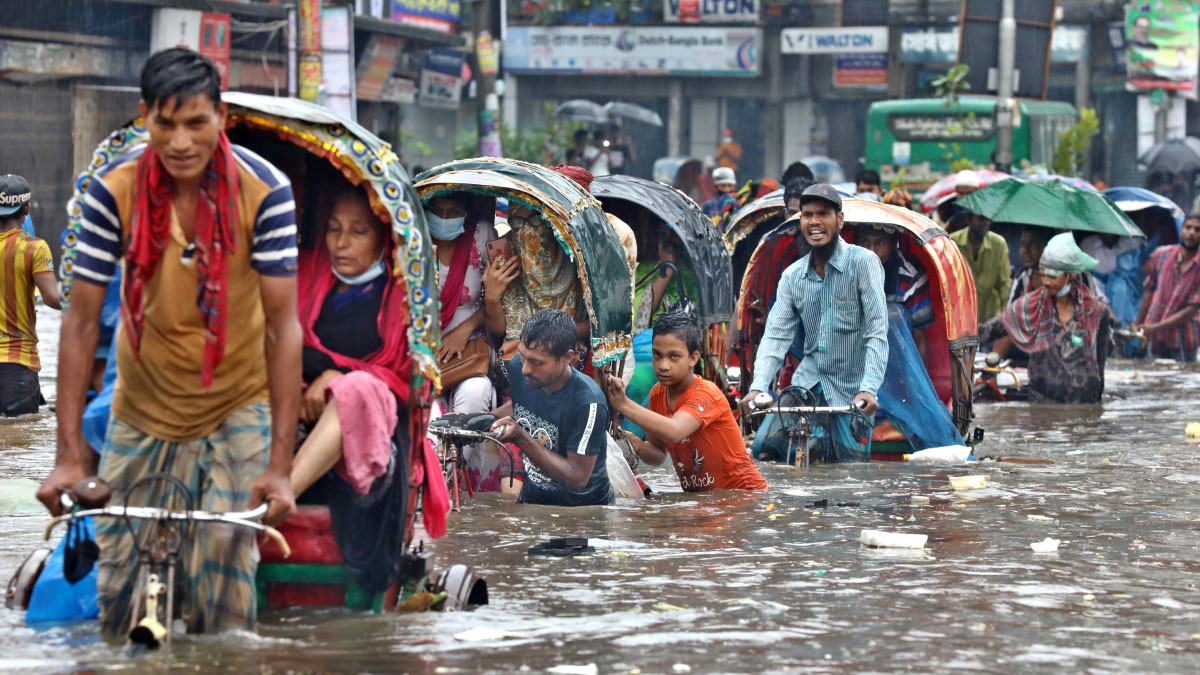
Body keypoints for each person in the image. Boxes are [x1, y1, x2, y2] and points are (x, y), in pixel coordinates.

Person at [37, 49, 300, 635]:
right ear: (144, 119)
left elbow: (285, 327)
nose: (180, 141)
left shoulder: (265, 192)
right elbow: (78, 323)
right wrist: (68, 455)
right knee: (119, 582)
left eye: (195, 123)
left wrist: (280, 466)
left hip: (237, 401)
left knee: (225, 576)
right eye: (166, 123)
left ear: (221, 118)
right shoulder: (113, 189)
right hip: (141, 402)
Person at [291, 186, 449, 587]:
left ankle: (278, 498)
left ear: (383, 237)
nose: (341, 243)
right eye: (333, 228)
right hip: (295, 415)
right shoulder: (305, 273)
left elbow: (403, 383)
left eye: (358, 231)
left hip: (374, 433)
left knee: (359, 388)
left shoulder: (403, 295)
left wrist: (336, 380)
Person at [740, 184, 887, 464]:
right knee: (763, 449)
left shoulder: (864, 264)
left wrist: (868, 388)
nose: (815, 222)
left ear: (839, 220)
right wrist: (758, 387)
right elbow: (775, 338)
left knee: (849, 471)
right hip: (806, 384)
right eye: (807, 215)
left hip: (851, 390)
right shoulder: (793, 276)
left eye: (823, 214)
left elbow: (876, 334)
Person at [602, 310, 767, 492]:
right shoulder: (657, 393)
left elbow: (675, 431)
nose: (663, 365)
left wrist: (623, 404)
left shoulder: (705, 393)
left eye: (674, 356)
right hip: (705, 501)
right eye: (657, 355)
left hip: (746, 496)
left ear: (693, 358)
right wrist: (637, 444)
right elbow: (657, 454)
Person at [490, 309, 613, 506]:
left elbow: (578, 478)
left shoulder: (588, 403)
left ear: (567, 357)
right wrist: (478, 420)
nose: (526, 369)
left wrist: (521, 437)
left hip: (581, 516)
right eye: (523, 357)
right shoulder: (518, 368)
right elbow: (522, 404)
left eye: (537, 363)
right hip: (532, 502)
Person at [980, 233, 1109, 403]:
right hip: (1042, 402)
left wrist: (1096, 406)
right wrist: (957, 339)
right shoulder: (1030, 307)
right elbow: (992, 329)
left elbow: (1100, 362)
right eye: (1043, 275)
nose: (1046, 282)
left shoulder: (1096, 311)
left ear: (1070, 276)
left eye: (1053, 276)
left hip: (1083, 403)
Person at [0, 175, 61, 417]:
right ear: (26, 208)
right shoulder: (34, 247)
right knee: (20, 443)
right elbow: (53, 298)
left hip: (17, 369)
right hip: (17, 363)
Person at [1134, 214, 1200, 361]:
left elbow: (1192, 309)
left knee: (1181, 380)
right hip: (1154, 336)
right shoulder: (1162, 254)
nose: (1192, 233)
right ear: (1181, 230)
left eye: (1197, 230)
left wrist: (1155, 328)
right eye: (1188, 227)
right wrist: (1138, 323)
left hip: (1183, 339)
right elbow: (1149, 291)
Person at [950, 211, 1011, 323]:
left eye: (989, 218)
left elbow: (1005, 282)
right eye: (982, 219)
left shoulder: (998, 243)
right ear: (968, 220)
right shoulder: (953, 242)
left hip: (990, 313)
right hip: (961, 314)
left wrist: (1005, 311)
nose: (987, 223)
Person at [1008, 226, 1052, 304]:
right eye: (1023, 244)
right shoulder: (1021, 277)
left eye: (1033, 245)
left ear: (1047, 247)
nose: (1026, 250)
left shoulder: (1060, 279)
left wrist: (1044, 291)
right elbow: (1010, 311)